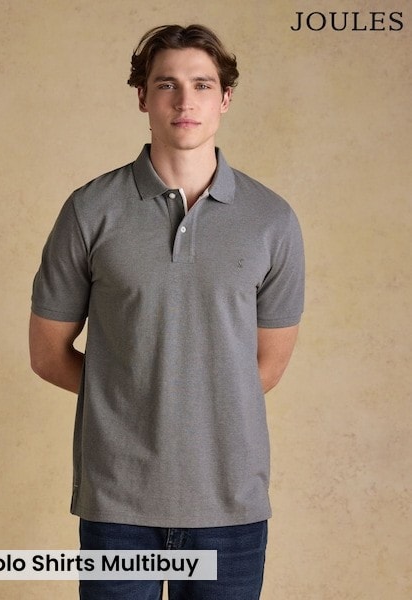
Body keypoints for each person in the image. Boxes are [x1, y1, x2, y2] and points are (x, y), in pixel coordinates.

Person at [29, 24, 305, 600]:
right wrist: (133, 400)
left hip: (230, 503)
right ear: (142, 97)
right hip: (117, 503)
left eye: (202, 85)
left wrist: (188, 409)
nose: (185, 101)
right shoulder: (89, 211)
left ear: (224, 99)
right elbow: (48, 355)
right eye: (166, 84)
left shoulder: (272, 220)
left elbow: (267, 367)